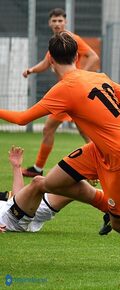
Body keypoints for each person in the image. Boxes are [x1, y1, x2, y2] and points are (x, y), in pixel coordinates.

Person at [0, 32, 120, 267]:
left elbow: (23, 118)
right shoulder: (98, 76)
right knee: (50, 182)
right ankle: (111, 203)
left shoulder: (64, 88)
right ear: (77, 56)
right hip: (100, 150)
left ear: (51, 61)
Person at [21, 8, 100, 178]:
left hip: (74, 94)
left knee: (78, 131)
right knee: (55, 129)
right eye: (54, 21)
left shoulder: (72, 39)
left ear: (65, 22)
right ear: (50, 23)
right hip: (68, 94)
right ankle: (38, 168)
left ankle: (102, 163)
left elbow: (93, 56)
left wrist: (81, 74)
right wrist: (32, 70)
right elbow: (46, 62)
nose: (57, 24)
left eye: (60, 21)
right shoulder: (56, 42)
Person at [0, 146, 120, 234]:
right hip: (10, 220)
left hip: (21, 209)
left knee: (72, 187)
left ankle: (116, 206)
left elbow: (16, 198)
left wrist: (16, 167)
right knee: (39, 182)